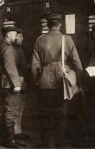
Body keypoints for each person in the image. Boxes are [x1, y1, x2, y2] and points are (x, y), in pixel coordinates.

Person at [31, 13, 83, 147]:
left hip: (44, 82)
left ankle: (45, 144)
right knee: (61, 114)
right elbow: (77, 64)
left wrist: (36, 81)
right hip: (63, 82)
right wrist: (79, 81)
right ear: (60, 24)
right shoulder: (67, 39)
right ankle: (60, 144)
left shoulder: (39, 40)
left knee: (45, 114)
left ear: (48, 25)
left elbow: (35, 65)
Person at [0, 26, 26, 148]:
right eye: (14, 34)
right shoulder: (8, 49)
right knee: (10, 111)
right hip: (9, 84)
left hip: (0, 84)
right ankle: (10, 141)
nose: (15, 36)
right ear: (8, 35)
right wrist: (17, 84)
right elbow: (10, 67)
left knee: (1, 111)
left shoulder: (0, 46)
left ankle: (2, 139)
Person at [13, 29, 30, 140]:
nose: (22, 38)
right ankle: (14, 132)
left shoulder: (19, 49)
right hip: (17, 82)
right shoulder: (12, 50)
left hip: (21, 82)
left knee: (20, 108)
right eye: (20, 36)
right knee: (16, 108)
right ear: (15, 37)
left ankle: (17, 131)